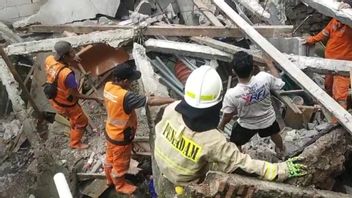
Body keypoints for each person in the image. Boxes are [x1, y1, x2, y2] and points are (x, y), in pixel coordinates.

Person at [154, 65, 306, 190]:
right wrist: (281, 169)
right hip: (187, 180)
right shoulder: (213, 140)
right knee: (225, 163)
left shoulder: (171, 108)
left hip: (163, 166)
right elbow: (243, 164)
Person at [103, 63, 175, 195]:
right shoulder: (125, 96)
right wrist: (172, 100)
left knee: (110, 158)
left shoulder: (108, 86)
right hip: (121, 137)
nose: (131, 83)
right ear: (124, 81)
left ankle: (109, 179)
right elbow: (151, 101)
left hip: (110, 131)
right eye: (130, 80)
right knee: (121, 164)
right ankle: (120, 185)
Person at [218, 51, 285, 157]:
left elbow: (227, 115)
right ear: (253, 68)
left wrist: (221, 126)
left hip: (247, 124)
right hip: (268, 119)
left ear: (233, 71)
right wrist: (270, 64)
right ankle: (281, 149)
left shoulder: (232, 94)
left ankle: (240, 160)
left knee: (236, 142)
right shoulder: (264, 78)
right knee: (274, 134)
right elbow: (279, 82)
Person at [44, 41, 101, 149]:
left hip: (54, 97)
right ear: (64, 56)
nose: (74, 53)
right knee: (82, 121)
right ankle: (75, 143)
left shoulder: (49, 59)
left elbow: (57, 69)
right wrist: (94, 98)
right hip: (65, 103)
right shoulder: (68, 75)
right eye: (71, 53)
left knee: (74, 118)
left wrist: (71, 60)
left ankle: (73, 124)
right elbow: (76, 95)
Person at [305, 0, 352, 109]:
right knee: (328, 88)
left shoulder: (350, 26)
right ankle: (328, 111)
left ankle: (339, 122)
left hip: (343, 66)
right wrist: (311, 40)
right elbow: (324, 33)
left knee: (340, 96)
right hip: (329, 63)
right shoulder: (334, 21)